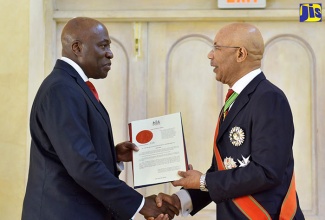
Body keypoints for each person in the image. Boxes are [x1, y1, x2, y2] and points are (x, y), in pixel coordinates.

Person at [22, 17, 178, 220]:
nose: (110, 53)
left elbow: (70, 153)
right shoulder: (61, 89)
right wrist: (140, 204)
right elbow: (82, 166)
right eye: (103, 45)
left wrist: (113, 155)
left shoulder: (71, 86)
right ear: (77, 48)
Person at [155, 23, 305, 219]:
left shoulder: (269, 98)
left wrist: (203, 180)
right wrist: (181, 200)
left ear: (240, 54)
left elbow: (267, 172)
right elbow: (224, 170)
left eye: (217, 48)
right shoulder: (236, 99)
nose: (210, 55)